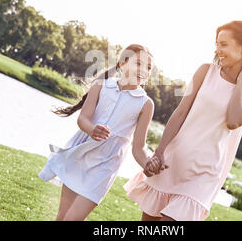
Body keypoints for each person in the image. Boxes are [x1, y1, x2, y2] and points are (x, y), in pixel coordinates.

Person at [124, 21, 242, 221]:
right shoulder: (205, 71)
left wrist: (240, 84)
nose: (218, 50)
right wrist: (160, 151)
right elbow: (180, 113)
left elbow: (234, 121)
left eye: (224, 44)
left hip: (204, 175)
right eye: (216, 44)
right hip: (173, 161)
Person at [38, 44, 156, 221]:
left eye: (148, 67)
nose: (144, 71)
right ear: (123, 64)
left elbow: (138, 147)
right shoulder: (101, 85)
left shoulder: (145, 104)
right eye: (138, 63)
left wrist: (147, 164)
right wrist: (92, 129)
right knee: (62, 217)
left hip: (105, 166)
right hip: (80, 155)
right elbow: (82, 119)